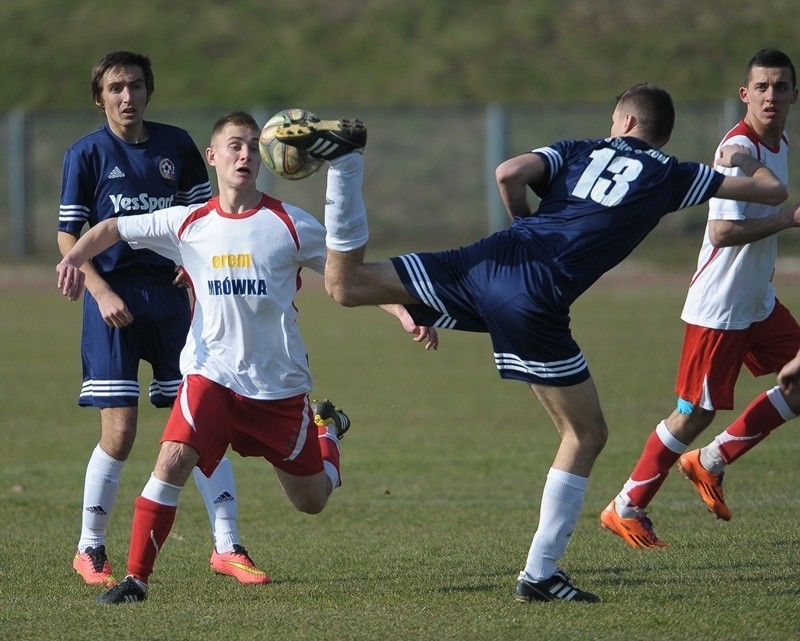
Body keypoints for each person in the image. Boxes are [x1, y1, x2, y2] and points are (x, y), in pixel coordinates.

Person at [270, 82, 789, 602]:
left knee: (345, 285)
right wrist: (745, 156)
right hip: (536, 296)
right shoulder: (674, 173)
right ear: (657, 131)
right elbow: (771, 193)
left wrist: (525, 221)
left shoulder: (578, 149)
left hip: (489, 260)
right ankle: (541, 574)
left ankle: (346, 164)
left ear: (625, 122)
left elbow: (508, 173)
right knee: (585, 434)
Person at [56, 111, 437, 604]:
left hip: (278, 387)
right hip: (210, 375)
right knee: (171, 459)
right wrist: (73, 258)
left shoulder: (290, 224)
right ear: (213, 157)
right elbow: (110, 227)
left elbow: (352, 276)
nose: (246, 155)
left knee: (312, 500)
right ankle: (136, 581)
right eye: (235, 146)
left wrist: (403, 312)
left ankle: (328, 432)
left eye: (255, 147)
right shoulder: (187, 222)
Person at [58, 51, 267, 586]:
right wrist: (100, 291)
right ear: (100, 97)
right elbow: (70, 236)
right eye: (115, 88)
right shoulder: (84, 155)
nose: (127, 96)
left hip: (173, 303)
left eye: (135, 85)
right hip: (114, 304)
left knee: (203, 424)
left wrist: (191, 268)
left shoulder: (176, 147)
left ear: (149, 91)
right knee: (121, 434)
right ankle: (90, 548)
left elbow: (205, 219)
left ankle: (228, 546)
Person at [601, 50, 800, 549]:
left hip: (757, 300)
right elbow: (723, 230)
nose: (771, 95)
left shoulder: (780, 144)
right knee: (692, 415)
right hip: (722, 308)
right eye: (762, 87)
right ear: (745, 94)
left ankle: (711, 460)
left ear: (794, 95)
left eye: (780, 87)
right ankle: (625, 506)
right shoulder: (737, 149)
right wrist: (786, 221)